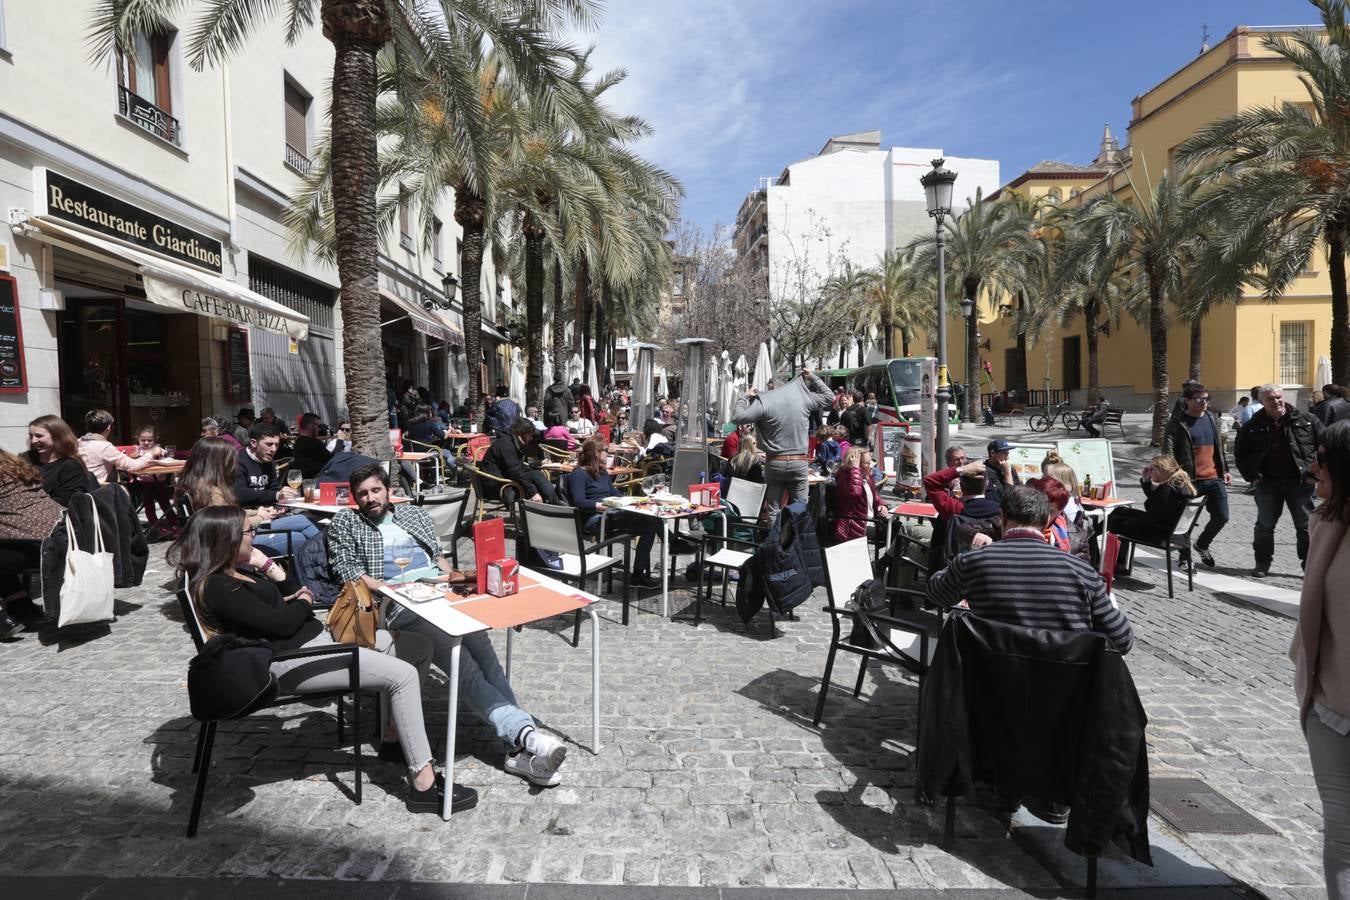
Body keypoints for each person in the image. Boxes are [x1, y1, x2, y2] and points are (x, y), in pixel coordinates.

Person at [169, 505, 471, 813]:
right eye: (250, 531)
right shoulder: (219, 586)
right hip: (294, 660)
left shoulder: (238, 570)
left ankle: (394, 740)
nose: (255, 535)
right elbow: (284, 622)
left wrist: (266, 564)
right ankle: (423, 782)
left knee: (417, 647)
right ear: (227, 538)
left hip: (317, 641)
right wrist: (302, 602)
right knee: (402, 675)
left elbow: (291, 591)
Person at [327, 464, 568, 787]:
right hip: (401, 606)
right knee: (464, 667)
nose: (370, 498)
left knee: (486, 658)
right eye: (363, 494)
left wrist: (457, 578)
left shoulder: (412, 515)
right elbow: (350, 574)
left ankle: (519, 747)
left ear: (388, 490)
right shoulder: (349, 522)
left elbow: (437, 560)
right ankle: (528, 737)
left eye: (375, 490)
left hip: (442, 592)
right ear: (356, 499)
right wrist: (393, 590)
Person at [925, 484, 1132, 654]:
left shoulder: (973, 562)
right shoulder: (1083, 573)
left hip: (989, 685)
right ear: (1045, 523)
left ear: (1003, 517)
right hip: (1063, 692)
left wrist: (959, 563)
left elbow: (936, 593)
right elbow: (1122, 639)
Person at [1293, 420, 1350, 897]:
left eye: (1322, 459)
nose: (1313, 468)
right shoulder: (1327, 522)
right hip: (1329, 709)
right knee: (1343, 839)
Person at [1235, 384, 1323, 577]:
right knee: (1264, 526)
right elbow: (1240, 454)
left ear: (1283, 397)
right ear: (1262, 401)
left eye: (1278, 397)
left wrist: (1317, 473)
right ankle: (1262, 564)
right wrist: (1253, 478)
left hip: (1301, 483)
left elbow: (1326, 445)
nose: (1276, 401)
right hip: (1268, 483)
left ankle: (1308, 566)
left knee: (1305, 526)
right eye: (1270, 399)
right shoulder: (1253, 425)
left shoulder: (1307, 420)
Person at [734, 368, 833, 520]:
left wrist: (744, 396)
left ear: (772, 387)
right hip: (798, 462)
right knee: (799, 509)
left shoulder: (764, 401)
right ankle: (797, 542)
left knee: (774, 511)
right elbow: (829, 397)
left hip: (775, 462)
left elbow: (738, 417)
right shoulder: (802, 397)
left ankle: (776, 542)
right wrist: (812, 377)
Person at [567, 438, 663, 588]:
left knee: (651, 522)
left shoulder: (602, 472)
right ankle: (674, 542)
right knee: (651, 521)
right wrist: (601, 506)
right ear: (596, 454)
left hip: (611, 515)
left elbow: (616, 494)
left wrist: (635, 501)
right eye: (605, 451)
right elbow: (578, 502)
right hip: (594, 519)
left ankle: (637, 574)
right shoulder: (578, 475)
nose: (608, 453)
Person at [1161, 382, 1230, 567]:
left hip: (1214, 477)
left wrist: (1226, 470)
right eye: (1200, 399)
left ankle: (1202, 544)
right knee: (1187, 521)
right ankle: (1185, 558)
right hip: (1190, 480)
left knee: (1222, 516)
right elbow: (1167, 452)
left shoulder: (1211, 418)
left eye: (1207, 399)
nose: (1205, 402)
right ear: (1186, 400)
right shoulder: (1176, 422)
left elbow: (1218, 449)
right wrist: (1177, 476)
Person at [0, 449, 64, 637]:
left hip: (38, 549)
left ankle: (4, 620)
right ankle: (23, 608)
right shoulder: (14, 470)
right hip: (58, 540)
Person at [234, 422, 321, 555]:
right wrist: (275, 496)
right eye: (269, 444)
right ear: (253, 443)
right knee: (303, 531)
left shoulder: (269, 462)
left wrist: (279, 504)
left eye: (276, 444)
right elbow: (240, 494)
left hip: (268, 516)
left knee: (308, 520)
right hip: (248, 524)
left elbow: (273, 488)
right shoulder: (238, 461)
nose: (274, 449)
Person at [1106, 455, 1195, 548]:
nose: (1149, 472)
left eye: (1151, 469)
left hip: (1161, 533)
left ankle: (1096, 548)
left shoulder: (1167, 490)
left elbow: (1151, 516)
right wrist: (1146, 481)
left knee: (1115, 521)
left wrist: (1127, 521)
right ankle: (1094, 542)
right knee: (1120, 511)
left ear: (1162, 470)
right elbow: (1158, 502)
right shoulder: (1178, 484)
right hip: (1171, 530)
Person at [77, 408, 165, 483]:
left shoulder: (78, 442)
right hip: (98, 489)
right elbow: (134, 466)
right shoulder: (104, 446)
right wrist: (152, 453)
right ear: (108, 428)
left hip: (80, 487)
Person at [24, 414, 95, 506]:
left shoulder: (71, 466)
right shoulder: (25, 459)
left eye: (39, 436)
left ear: (57, 436)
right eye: (31, 436)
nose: (33, 440)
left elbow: (67, 500)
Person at [482, 418, 556, 503]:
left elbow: (516, 466)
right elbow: (515, 471)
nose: (531, 438)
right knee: (535, 477)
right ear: (521, 433)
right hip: (496, 487)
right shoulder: (506, 445)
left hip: (502, 480)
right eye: (530, 435)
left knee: (536, 474)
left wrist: (537, 464)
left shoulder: (510, 441)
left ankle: (552, 503)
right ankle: (554, 503)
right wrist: (533, 493)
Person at [832, 447, 888, 543]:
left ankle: (888, 557)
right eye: (866, 463)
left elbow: (875, 495)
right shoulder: (844, 478)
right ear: (855, 464)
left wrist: (881, 505)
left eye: (870, 462)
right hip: (854, 527)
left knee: (897, 528)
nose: (871, 466)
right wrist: (855, 470)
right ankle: (888, 558)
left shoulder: (866, 477)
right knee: (897, 533)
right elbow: (855, 494)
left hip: (871, 521)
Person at [129, 425, 178, 531]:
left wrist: (163, 456)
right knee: (149, 506)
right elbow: (131, 463)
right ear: (138, 439)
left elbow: (167, 458)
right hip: (144, 483)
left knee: (165, 504)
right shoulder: (137, 451)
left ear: (155, 439)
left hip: (158, 482)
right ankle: (156, 527)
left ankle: (174, 524)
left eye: (150, 440)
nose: (146, 443)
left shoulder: (158, 450)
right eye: (143, 440)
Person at [290, 412, 333, 478]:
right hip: (314, 480)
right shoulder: (314, 443)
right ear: (310, 425)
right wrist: (340, 441)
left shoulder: (298, 442)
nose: (320, 429)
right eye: (318, 426)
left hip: (300, 478)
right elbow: (333, 461)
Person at [982, 438, 1020, 506]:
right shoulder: (985, 471)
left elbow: (1019, 489)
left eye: (1008, 453)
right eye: (1004, 453)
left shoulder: (1010, 469)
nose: (1007, 457)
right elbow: (1006, 496)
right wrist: (1007, 473)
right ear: (993, 453)